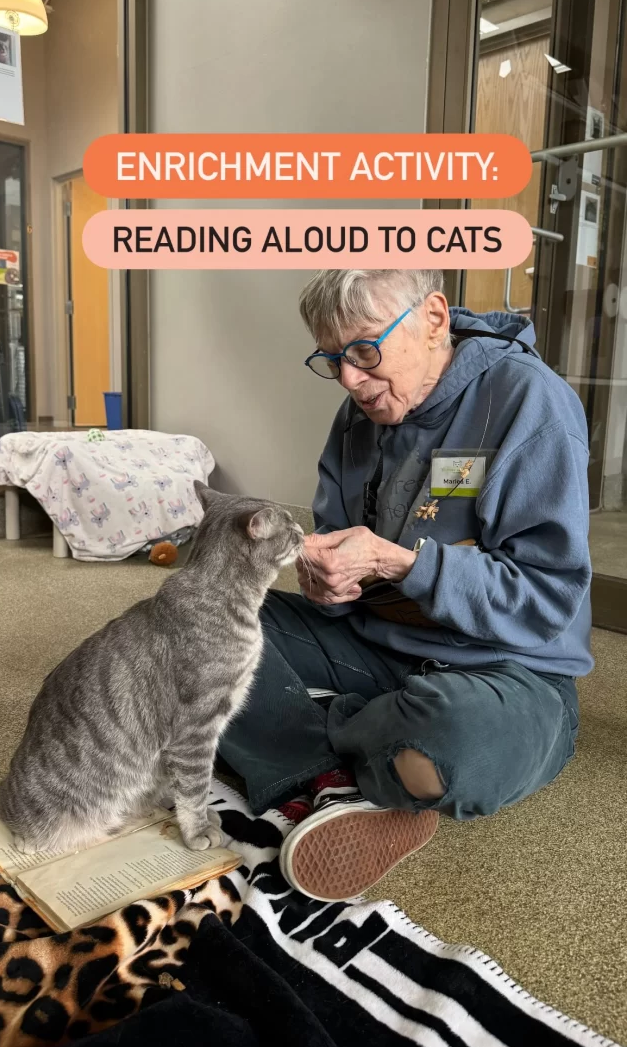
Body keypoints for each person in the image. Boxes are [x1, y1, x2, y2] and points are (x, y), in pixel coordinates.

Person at [219, 269, 592, 903]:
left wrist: (402, 563)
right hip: (375, 644)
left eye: (364, 351)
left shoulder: (531, 402)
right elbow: (340, 537)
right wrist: (326, 582)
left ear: (435, 319)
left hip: (507, 669)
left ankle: (322, 733)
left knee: (453, 744)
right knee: (191, 632)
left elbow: (546, 599)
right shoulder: (357, 413)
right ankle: (331, 776)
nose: (348, 379)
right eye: (330, 360)